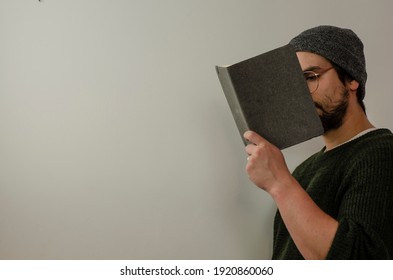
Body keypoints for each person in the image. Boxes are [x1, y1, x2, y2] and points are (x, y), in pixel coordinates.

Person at [244, 25, 393, 260]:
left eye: (310, 77)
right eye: (294, 83)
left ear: (351, 78)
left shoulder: (381, 152)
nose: (301, 93)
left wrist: (279, 183)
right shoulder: (304, 170)